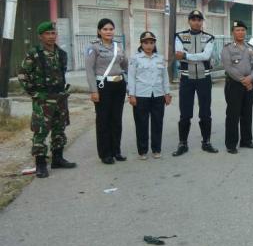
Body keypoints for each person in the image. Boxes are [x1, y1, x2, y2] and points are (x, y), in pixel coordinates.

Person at [17, 21, 76, 178]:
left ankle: (58, 158)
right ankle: (41, 164)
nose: (51, 36)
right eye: (47, 34)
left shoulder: (62, 54)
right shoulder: (34, 53)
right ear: (40, 36)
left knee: (59, 128)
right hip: (43, 99)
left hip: (60, 97)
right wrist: (34, 93)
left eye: (53, 33)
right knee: (41, 131)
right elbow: (22, 74)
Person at [172, 10, 219, 156]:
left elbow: (206, 56)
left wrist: (186, 55)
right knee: (185, 113)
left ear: (202, 21)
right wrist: (190, 56)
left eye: (199, 19)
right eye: (193, 19)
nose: (196, 22)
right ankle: (182, 144)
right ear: (189, 21)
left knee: (205, 112)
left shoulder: (209, 38)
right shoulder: (179, 36)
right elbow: (178, 55)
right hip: (187, 79)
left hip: (204, 79)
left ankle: (206, 142)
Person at [85, 18, 129, 164]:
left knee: (116, 120)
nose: (108, 32)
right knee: (103, 120)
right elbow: (89, 70)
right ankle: (105, 153)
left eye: (111, 29)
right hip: (103, 87)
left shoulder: (119, 46)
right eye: (105, 29)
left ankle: (116, 151)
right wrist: (93, 91)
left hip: (119, 86)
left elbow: (125, 65)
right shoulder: (94, 47)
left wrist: (129, 85)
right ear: (99, 31)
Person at [127, 31, 172, 160]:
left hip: (157, 95)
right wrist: (132, 95)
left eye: (151, 43)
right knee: (141, 124)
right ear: (141, 44)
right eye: (146, 43)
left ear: (154, 44)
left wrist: (167, 93)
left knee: (157, 123)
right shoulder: (135, 59)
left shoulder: (160, 58)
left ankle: (156, 149)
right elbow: (131, 77)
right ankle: (142, 150)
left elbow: (164, 77)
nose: (149, 46)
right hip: (141, 95)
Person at [221, 20, 253, 154]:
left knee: (247, 113)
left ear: (246, 32)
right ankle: (231, 144)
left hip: (249, 84)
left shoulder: (250, 48)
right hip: (234, 85)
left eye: (243, 30)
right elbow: (228, 67)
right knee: (233, 114)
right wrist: (244, 80)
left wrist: (251, 78)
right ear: (233, 32)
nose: (240, 32)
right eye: (237, 30)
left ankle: (246, 140)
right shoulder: (227, 48)